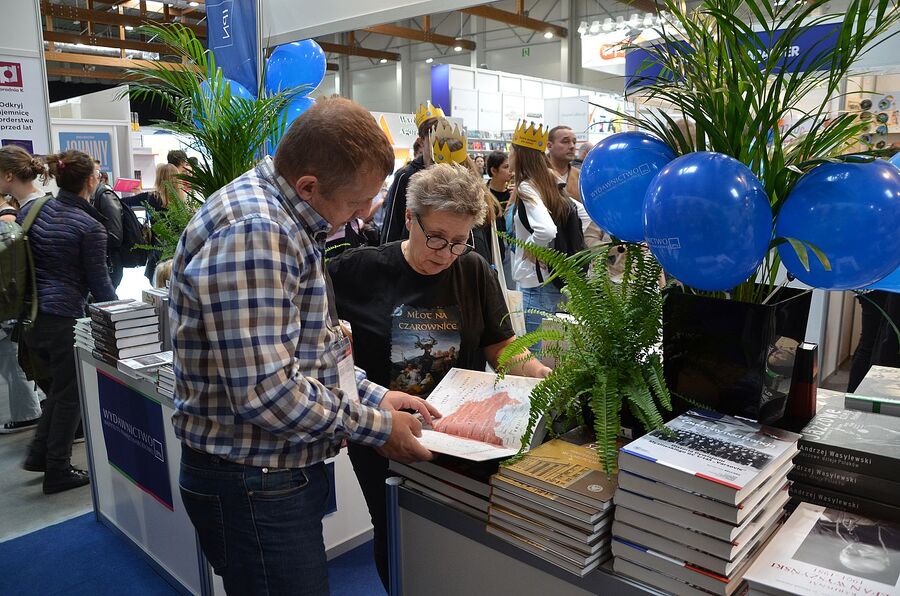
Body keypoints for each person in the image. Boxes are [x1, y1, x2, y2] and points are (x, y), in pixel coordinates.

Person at [169, 96, 439, 596]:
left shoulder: (282, 216)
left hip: (269, 475)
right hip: (256, 481)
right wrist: (378, 427)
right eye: (357, 201)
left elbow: (302, 352)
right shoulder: (258, 231)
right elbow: (268, 392)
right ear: (309, 186)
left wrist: (374, 394)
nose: (364, 213)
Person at [329, 162, 551, 590]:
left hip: (460, 434)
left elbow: (500, 344)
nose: (444, 254)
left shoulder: (471, 269)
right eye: (435, 238)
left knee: (458, 531)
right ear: (409, 218)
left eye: (458, 242)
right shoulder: (355, 271)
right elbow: (322, 345)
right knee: (395, 527)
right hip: (386, 435)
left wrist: (539, 373)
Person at [19, 150, 117, 494]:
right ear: (91, 180)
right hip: (63, 318)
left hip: (29, 317)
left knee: (59, 390)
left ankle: (38, 454)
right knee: (71, 394)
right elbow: (101, 286)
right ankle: (57, 469)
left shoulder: (34, 209)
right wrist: (129, 318)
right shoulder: (90, 226)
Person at [509, 121, 592, 334]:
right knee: (555, 358)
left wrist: (533, 247)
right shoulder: (548, 183)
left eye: (511, 151)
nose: (509, 156)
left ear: (519, 155)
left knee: (536, 358)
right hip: (556, 283)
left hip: (534, 286)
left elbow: (546, 229)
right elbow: (584, 214)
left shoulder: (527, 186)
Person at [0, 146, 48, 434]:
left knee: (59, 390)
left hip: (41, 312)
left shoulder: (29, 214)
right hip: (36, 312)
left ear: (8, 176)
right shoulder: (28, 211)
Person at [380, 100, 444, 244]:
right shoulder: (405, 176)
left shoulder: (449, 174)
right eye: (433, 140)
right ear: (421, 141)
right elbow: (392, 222)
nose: (438, 146)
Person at [128, 163, 182, 281]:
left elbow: (123, 202)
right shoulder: (182, 202)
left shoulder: (151, 198)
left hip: (157, 249)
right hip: (178, 250)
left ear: (159, 179)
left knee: (158, 283)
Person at [91, 159, 125, 288]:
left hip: (109, 263)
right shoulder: (91, 197)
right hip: (100, 261)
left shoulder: (105, 196)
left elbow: (115, 236)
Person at [547, 125, 581, 200]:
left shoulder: (581, 178)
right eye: (565, 142)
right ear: (549, 146)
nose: (572, 146)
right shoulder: (536, 175)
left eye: (574, 142)